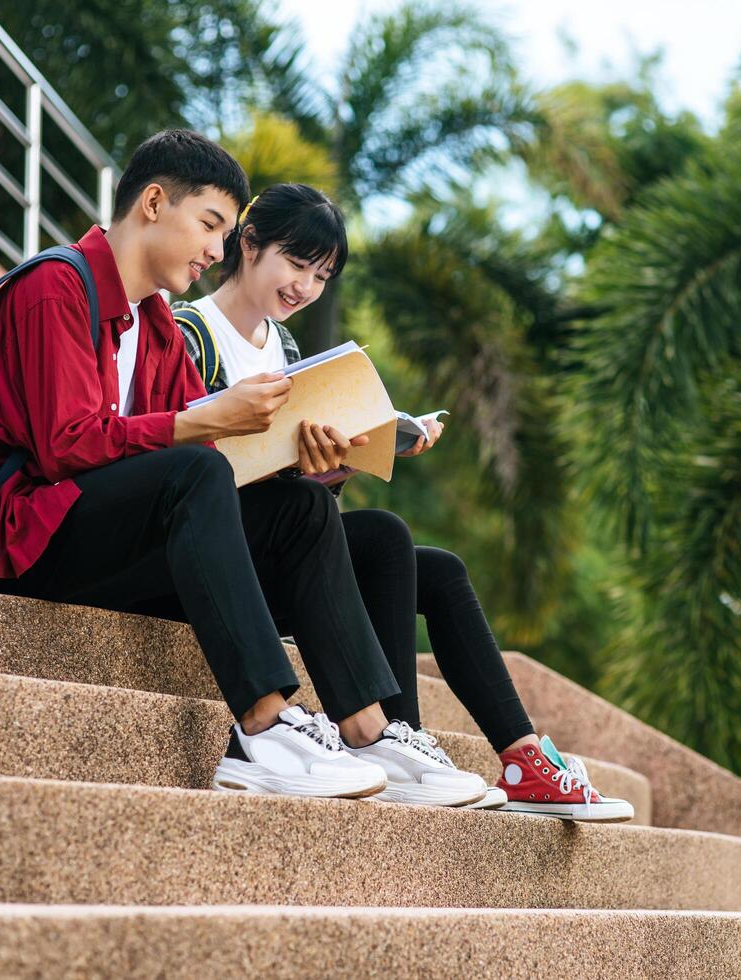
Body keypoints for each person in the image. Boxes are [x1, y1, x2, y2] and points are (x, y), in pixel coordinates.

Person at [0, 130, 482, 808]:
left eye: (224, 232)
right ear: (152, 202)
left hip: (108, 549)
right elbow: (66, 446)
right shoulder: (56, 285)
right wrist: (208, 418)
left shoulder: (156, 327)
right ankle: (262, 729)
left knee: (303, 510)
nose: (215, 249)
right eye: (209, 224)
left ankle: (368, 730)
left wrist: (310, 462)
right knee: (193, 473)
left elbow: (209, 462)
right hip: (25, 544)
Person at [174, 182, 634, 821]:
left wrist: (340, 458)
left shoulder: (287, 351)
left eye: (321, 275)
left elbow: (296, 486)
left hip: (281, 529)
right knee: (382, 537)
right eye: (295, 263)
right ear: (248, 245)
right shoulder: (188, 331)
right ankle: (385, 739)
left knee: (419, 557)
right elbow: (186, 472)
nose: (305, 287)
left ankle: (486, 755)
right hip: (221, 550)